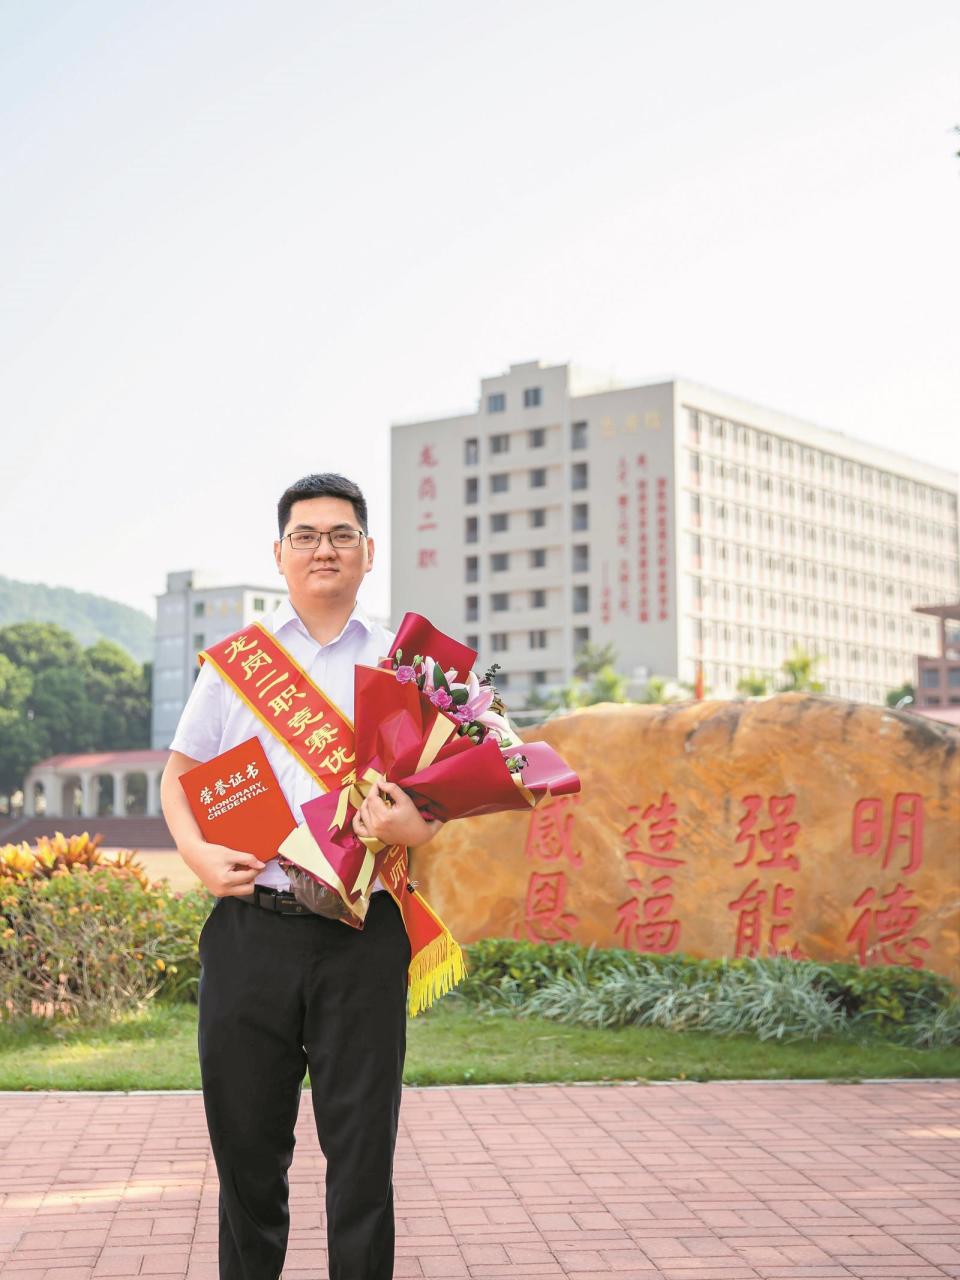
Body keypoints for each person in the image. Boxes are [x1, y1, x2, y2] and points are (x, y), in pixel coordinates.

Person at [160, 472, 442, 1280]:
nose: (325, 548)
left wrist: (410, 825)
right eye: (307, 535)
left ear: (368, 552)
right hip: (253, 929)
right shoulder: (241, 662)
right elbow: (182, 775)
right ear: (279, 554)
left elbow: (436, 799)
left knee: (363, 1159)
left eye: (341, 534)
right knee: (246, 1156)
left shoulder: (405, 662)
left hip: (365, 937)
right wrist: (196, 854)